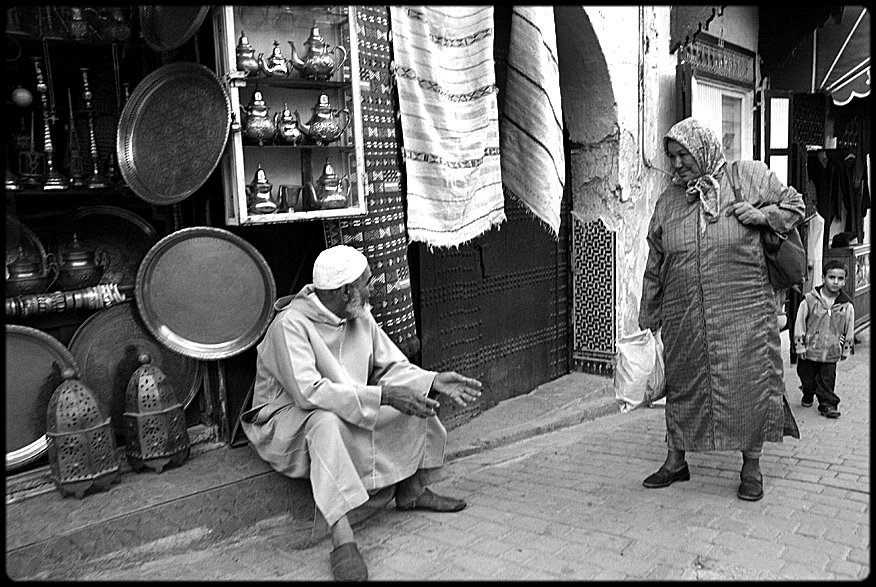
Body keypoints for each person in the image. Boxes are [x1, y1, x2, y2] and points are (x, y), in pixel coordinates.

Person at [240, 245, 483, 581]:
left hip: (346, 401)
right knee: (326, 422)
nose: (374, 288)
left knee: (413, 397)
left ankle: (411, 491)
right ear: (346, 291)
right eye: (368, 283)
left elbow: (391, 366)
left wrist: (432, 380)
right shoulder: (289, 326)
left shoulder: (359, 314)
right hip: (288, 418)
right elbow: (309, 392)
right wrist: (382, 396)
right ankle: (342, 539)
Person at [638, 117, 805, 502]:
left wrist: (764, 217)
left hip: (744, 314)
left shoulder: (745, 177)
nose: (677, 164)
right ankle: (675, 461)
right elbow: (655, 261)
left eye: (684, 155)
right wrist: (649, 315)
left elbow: (795, 204)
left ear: (704, 149)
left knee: (749, 386)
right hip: (686, 318)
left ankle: (751, 467)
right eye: (672, 157)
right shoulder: (669, 202)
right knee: (683, 388)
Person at [793, 259, 855, 418]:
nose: (836, 282)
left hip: (831, 351)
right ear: (823, 278)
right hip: (810, 350)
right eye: (831, 277)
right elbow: (800, 322)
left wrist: (846, 349)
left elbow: (849, 328)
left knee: (827, 381)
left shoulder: (845, 305)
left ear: (845, 280)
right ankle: (808, 392)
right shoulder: (810, 300)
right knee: (807, 378)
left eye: (840, 279)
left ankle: (828, 404)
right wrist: (799, 346)